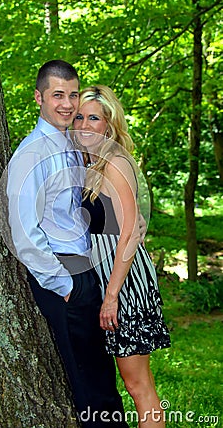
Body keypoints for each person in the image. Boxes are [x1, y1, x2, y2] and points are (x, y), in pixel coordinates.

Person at [6, 61, 129, 427]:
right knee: (89, 386)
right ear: (39, 97)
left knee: (101, 379)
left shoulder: (71, 144)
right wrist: (65, 284)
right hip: (64, 277)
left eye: (73, 94)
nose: (67, 103)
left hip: (84, 271)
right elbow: (24, 231)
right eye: (57, 94)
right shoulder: (32, 154)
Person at [73, 85, 171, 428]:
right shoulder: (90, 163)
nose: (85, 123)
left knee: (137, 383)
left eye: (94, 118)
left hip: (124, 280)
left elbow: (128, 232)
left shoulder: (114, 162)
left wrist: (112, 295)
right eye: (79, 116)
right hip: (104, 276)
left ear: (109, 124)